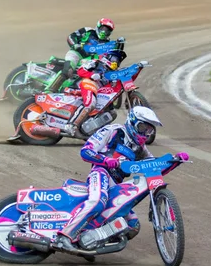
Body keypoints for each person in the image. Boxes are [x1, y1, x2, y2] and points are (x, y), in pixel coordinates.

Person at [53, 106, 187, 253]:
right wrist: (105, 160)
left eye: (149, 130)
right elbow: (86, 151)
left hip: (117, 186)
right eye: (142, 127)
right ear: (132, 122)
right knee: (97, 202)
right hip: (101, 173)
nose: (145, 133)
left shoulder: (140, 148)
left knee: (132, 226)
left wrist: (174, 161)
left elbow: (152, 167)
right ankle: (64, 236)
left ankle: (92, 241)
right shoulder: (113, 131)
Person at [63, 50, 122, 137]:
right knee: (91, 103)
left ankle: (93, 131)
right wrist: (91, 75)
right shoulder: (96, 62)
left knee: (112, 113)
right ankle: (71, 125)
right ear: (108, 58)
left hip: (100, 91)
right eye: (114, 59)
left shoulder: (113, 73)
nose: (116, 62)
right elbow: (80, 70)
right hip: (88, 83)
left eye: (118, 61)